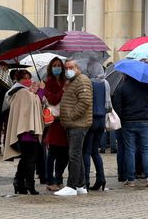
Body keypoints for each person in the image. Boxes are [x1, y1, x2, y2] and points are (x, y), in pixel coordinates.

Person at [54, 59, 93, 196]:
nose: (67, 70)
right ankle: (81, 185)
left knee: (74, 155)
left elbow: (85, 101)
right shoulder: (71, 82)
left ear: (77, 68)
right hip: (72, 124)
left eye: (71, 67)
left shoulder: (82, 80)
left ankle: (71, 186)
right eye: (66, 68)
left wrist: (72, 116)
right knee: (77, 155)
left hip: (78, 124)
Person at [4, 70, 44, 195]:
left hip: (27, 130)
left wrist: (34, 91)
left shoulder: (23, 91)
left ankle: (19, 182)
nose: (27, 80)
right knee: (31, 158)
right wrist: (40, 91)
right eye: (24, 78)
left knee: (26, 158)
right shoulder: (21, 92)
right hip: (26, 130)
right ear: (18, 80)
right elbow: (35, 102)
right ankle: (29, 184)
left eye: (29, 77)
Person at [112, 74, 148, 188]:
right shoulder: (145, 85)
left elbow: (117, 106)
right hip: (143, 121)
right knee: (145, 149)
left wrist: (121, 120)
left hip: (128, 122)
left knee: (130, 150)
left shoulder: (122, 87)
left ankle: (131, 179)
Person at [83, 60, 111, 191]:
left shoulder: (90, 83)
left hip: (91, 119)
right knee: (95, 151)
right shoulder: (105, 83)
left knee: (86, 151)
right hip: (102, 120)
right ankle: (101, 178)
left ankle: (86, 181)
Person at [43, 57, 69, 192]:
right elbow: (52, 100)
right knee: (52, 153)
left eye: (59, 65)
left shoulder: (66, 80)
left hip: (65, 121)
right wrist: (63, 90)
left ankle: (59, 178)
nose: (57, 67)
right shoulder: (48, 82)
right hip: (54, 121)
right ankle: (49, 180)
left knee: (64, 154)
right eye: (54, 65)